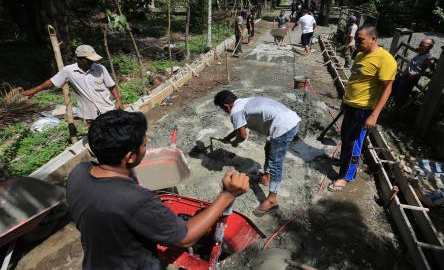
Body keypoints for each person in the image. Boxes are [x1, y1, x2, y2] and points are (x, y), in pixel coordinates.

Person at [66, 110, 249, 269]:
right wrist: (227, 195)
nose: (146, 148)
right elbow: (186, 237)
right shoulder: (136, 200)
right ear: (129, 157)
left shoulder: (78, 174)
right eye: (144, 144)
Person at [328, 26, 397, 192]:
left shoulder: (385, 59)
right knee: (345, 137)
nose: (356, 43)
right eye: (356, 40)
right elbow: (356, 79)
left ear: (373, 38)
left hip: (364, 110)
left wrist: (374, 115)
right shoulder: (360, 54)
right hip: (351, 105)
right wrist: (345, 100)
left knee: (353, 144)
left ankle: (345, 176)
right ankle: (344, 161)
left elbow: (387, 89)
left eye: (360, 40)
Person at [214, 90, 300, 216]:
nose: (226, 112)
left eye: (223, 109)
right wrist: (228, 137)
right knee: (269, 148)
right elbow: (242, 126)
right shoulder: (244, 102)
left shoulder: (235, 112)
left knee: (276, 162)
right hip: (291, 120)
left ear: (226, 106)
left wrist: (234, 142)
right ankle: (266, 177)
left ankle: (271, 200)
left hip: (283, 126)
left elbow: (242, 136)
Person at [23, 45, 123, 124]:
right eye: (88, 60)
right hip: (89, 111)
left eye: (92, 60)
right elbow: (51, 83)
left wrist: (118, 100)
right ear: (78, 58)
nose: (91, 62)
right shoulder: (68, 71)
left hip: (106, 107)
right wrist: (33, 91)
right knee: (96, 134)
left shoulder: (100, 68)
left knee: (114, 130)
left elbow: (111, 85)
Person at [392, 38, 435, 107]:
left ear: (430, 47)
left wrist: (417, 74)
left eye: (423, 45)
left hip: (410, 80)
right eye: (420, 44)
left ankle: (394, 112)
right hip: (403, 76)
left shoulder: (429, 58)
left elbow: (432, 71)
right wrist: (419, 49)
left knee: (400, 98)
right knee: (393, 91)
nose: (420, 46)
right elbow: (417, 50)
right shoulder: (422, 51)